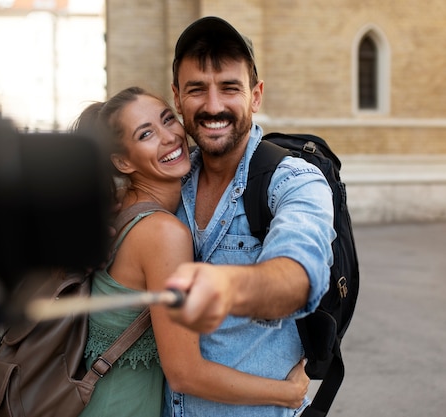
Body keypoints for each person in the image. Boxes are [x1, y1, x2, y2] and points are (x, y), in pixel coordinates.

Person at [72, 86, 311, 417]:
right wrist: (289, 392)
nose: (169, 137)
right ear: (123, 161)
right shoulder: (162, 232)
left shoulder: (119, 208)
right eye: (146, 134)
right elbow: (185, 373)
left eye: (168, 119)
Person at [161, 16, 337, 417]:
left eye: (229, 88)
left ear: (255, 96)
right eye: (196, 90)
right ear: (176, 97)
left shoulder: (295, 179)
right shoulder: (169, 184)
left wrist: (227, 288)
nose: (213, 106)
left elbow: (298, 273)